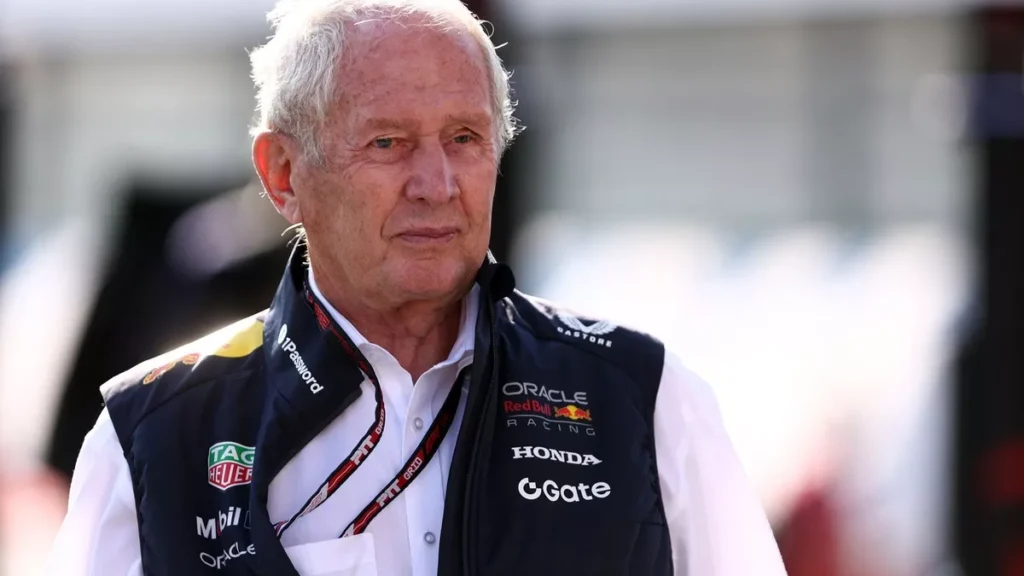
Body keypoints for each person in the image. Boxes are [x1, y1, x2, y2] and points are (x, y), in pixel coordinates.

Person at [46, 0, 787, 574]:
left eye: (464, 139)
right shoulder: (150, 435)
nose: (436, 184)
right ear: (283, 174)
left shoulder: (645, 397)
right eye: (388, 143)